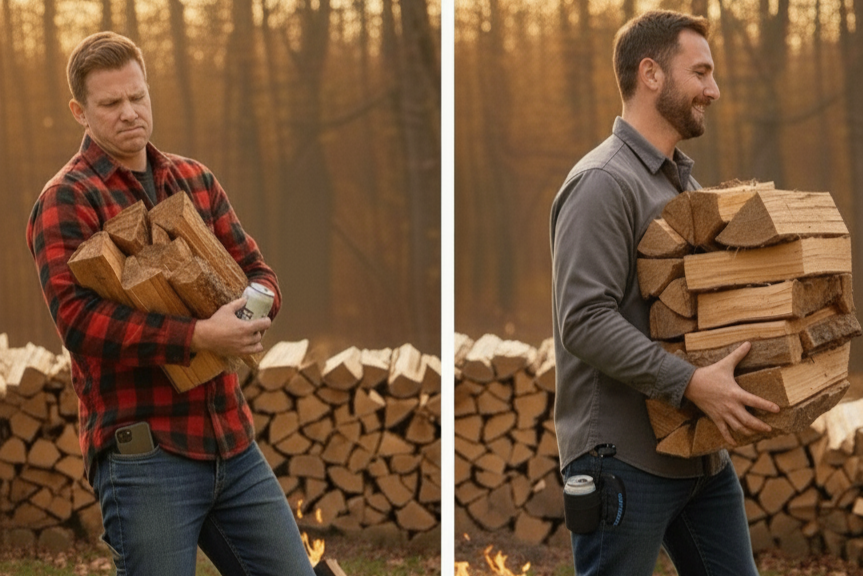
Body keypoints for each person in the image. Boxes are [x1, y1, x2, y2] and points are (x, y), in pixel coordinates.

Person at [26, 32, 315, 576]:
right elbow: (79, 323)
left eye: (138, 96)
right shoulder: (67, 199)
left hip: (231, 439)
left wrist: (246, 320)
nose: (129, 112)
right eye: (111, 103)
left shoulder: (194, 179)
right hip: (143, 455)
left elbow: (261, 275)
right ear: (79, 112)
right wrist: (199, 338)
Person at [550, 10, 781, 576]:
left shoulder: (682, 182)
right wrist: (692, 383)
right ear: (651, 74)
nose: (714, 90)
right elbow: (582, 320)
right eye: (700, 72)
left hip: (700, 457)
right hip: (623, 461)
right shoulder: (603, 183)